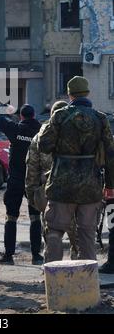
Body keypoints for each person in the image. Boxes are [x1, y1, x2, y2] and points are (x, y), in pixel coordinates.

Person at [38, 76, 114, 262]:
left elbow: (43, 145)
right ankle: (87, 282)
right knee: (87, 234)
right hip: (91, 184)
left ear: (70, 94)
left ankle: (53, 278)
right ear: (87, 93)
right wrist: (110, 185)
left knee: (55, 231)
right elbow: (111, 154)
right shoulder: (100, 118)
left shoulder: (60, 116)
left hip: (61, 184)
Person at [25, 100, 79, 260]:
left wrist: (32, 196)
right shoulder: (77, 134)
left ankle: (52, 274)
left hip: (50, 194)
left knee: (51, 237)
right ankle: (80, 274)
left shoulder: (40, 137)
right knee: (78, 238)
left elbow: (31, 169)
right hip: (75, 193)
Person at [0, 104, 42, 265]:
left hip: (16, 179)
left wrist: (0, 108)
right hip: (34, 180)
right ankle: (37, 256)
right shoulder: (41, 131)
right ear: (34, 115)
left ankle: (8, 256)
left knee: (11, 216)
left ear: (21, 116)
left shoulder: (15, 129)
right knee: (35, 217)